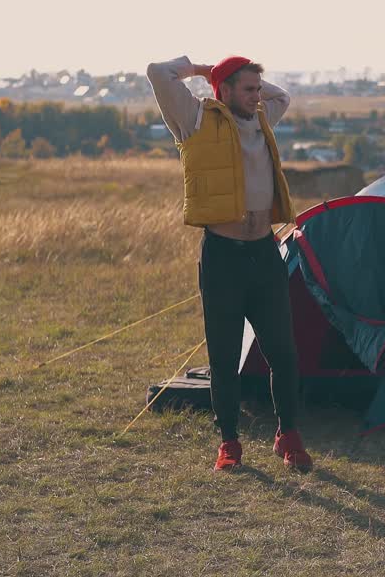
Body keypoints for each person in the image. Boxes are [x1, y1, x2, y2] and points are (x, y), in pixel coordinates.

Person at [147, 54, 312, 473]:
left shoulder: (261, 120)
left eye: (259, 89)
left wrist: (247, 78)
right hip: (222, 256)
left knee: (283, 352)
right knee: (223, 357)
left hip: (264, 252)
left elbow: (284, 96)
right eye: (249, 89)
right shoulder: (194, 120)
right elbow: (157, 72)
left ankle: (288, 435)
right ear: (224, 91)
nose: (258, 97)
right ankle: (230, 443)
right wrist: (203, 70)